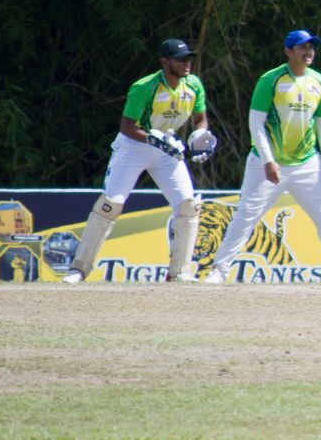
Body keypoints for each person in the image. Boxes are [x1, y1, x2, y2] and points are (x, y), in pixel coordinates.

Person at [203, 29, 321, 284]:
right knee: (245, 217)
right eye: (302, 47)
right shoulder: (271, 80)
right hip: (266, 163)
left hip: (306, 162)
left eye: (311, 47)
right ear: (288, 51)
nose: (308, 52)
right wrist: (268, 160)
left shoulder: (318, 81)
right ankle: (219, 271)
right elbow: (256, 123)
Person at [65, 38, 216, 282]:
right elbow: (127, 126)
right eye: (180, 59)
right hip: (134, 147)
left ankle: (178, 273)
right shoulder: (144, 87)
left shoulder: (193, 84)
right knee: (110, 205)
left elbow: (200, 119)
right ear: (165, 62)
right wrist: (152, 139)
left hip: (167, 148)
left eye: (189, 58)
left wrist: (200, 136)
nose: (186, 63)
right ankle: (78, 269)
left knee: (188, 205)